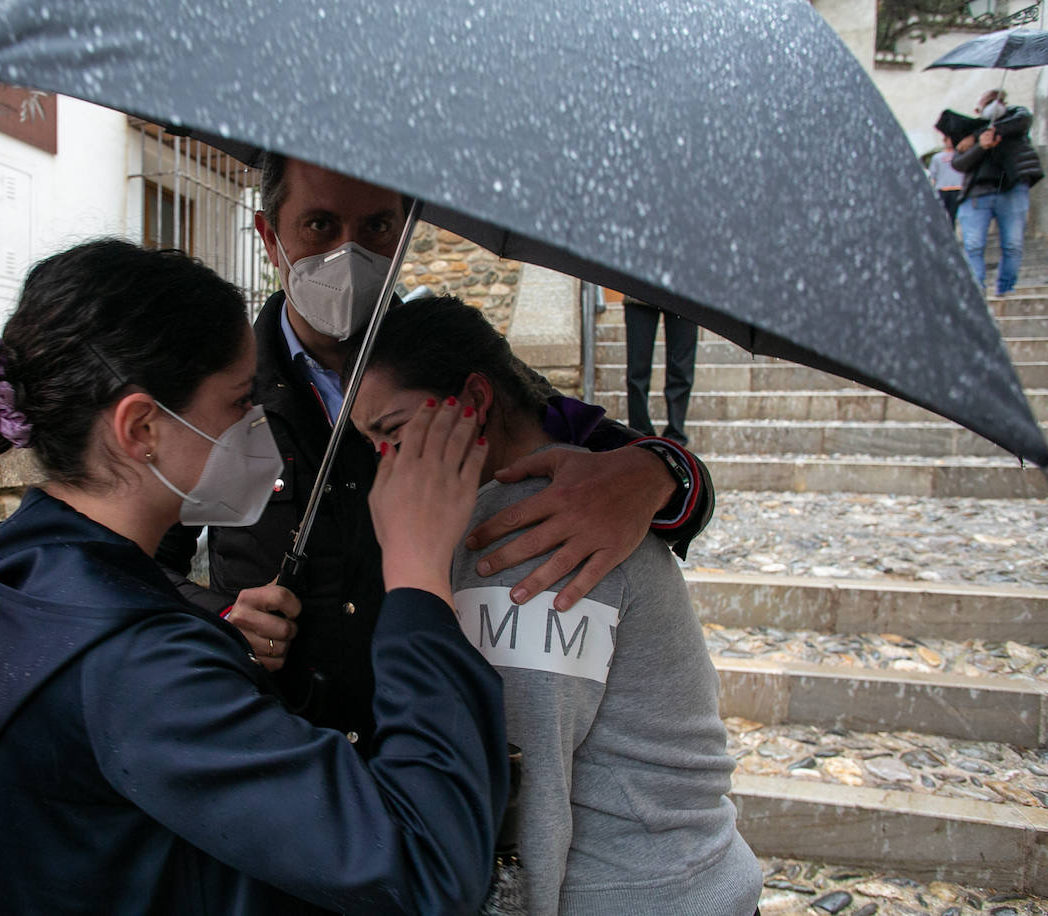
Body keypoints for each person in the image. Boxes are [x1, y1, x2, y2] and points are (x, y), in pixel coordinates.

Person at [0, 239, 510, 915]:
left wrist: (213, 635)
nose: (259, 426)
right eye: (237, 402)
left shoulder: (25, 562)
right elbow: (426, 868)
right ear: (142, 428)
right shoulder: (137, 665)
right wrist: (419, 578)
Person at [157, 156, 714, 751]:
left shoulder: (448, 366)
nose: (349, 253)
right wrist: (216, 620)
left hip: (420, 748)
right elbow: (138, 557)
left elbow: (619, 455)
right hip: (280, 746)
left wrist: (659, 474)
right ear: (271, 238)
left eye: (375, 228)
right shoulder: (220, 390)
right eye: (320, 225)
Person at [350, 295, 763, 916]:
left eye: (395, 432)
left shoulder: (529, 533)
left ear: (476, 402)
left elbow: (526, 800)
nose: (386, 466)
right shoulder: (564, 497)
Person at [954, 89, 1045, 296]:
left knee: (1013, 245)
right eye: (987, 102)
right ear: (978, 109)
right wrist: (981, 146)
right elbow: (959, 162)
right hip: (977, 194)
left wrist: (980, 134)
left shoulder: (1016, 119)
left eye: (996, 100)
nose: (993, 105)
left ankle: (1006, 289)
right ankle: (977, 290)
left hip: (1011, 191)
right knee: (973, 245)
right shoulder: (969, 131)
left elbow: (1022, 120)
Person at [622, 294, 698, 447]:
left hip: (684, 292)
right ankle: (639, 435)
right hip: (639, 288)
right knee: (637, 372)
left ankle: (676, 436)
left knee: (682, 372)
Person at [927, 131, 965, 226]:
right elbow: (933, 175)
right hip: (943, 189)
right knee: (944, 216)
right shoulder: (937, 157)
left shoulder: (961, 155)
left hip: (958, 188)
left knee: (958, 215)